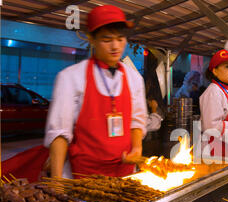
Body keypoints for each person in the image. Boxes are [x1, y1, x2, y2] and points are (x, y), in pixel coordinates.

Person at [44, 5, 150, 178]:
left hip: (124, 174)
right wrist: (57, 182)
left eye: (120, 38)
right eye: (107, 40)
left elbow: (137, 121)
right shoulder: (71, 77)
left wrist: (137, 148)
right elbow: (59, 134)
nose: (115, 46)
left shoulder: (134, 78)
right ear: (91, 39)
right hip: (83, 176)